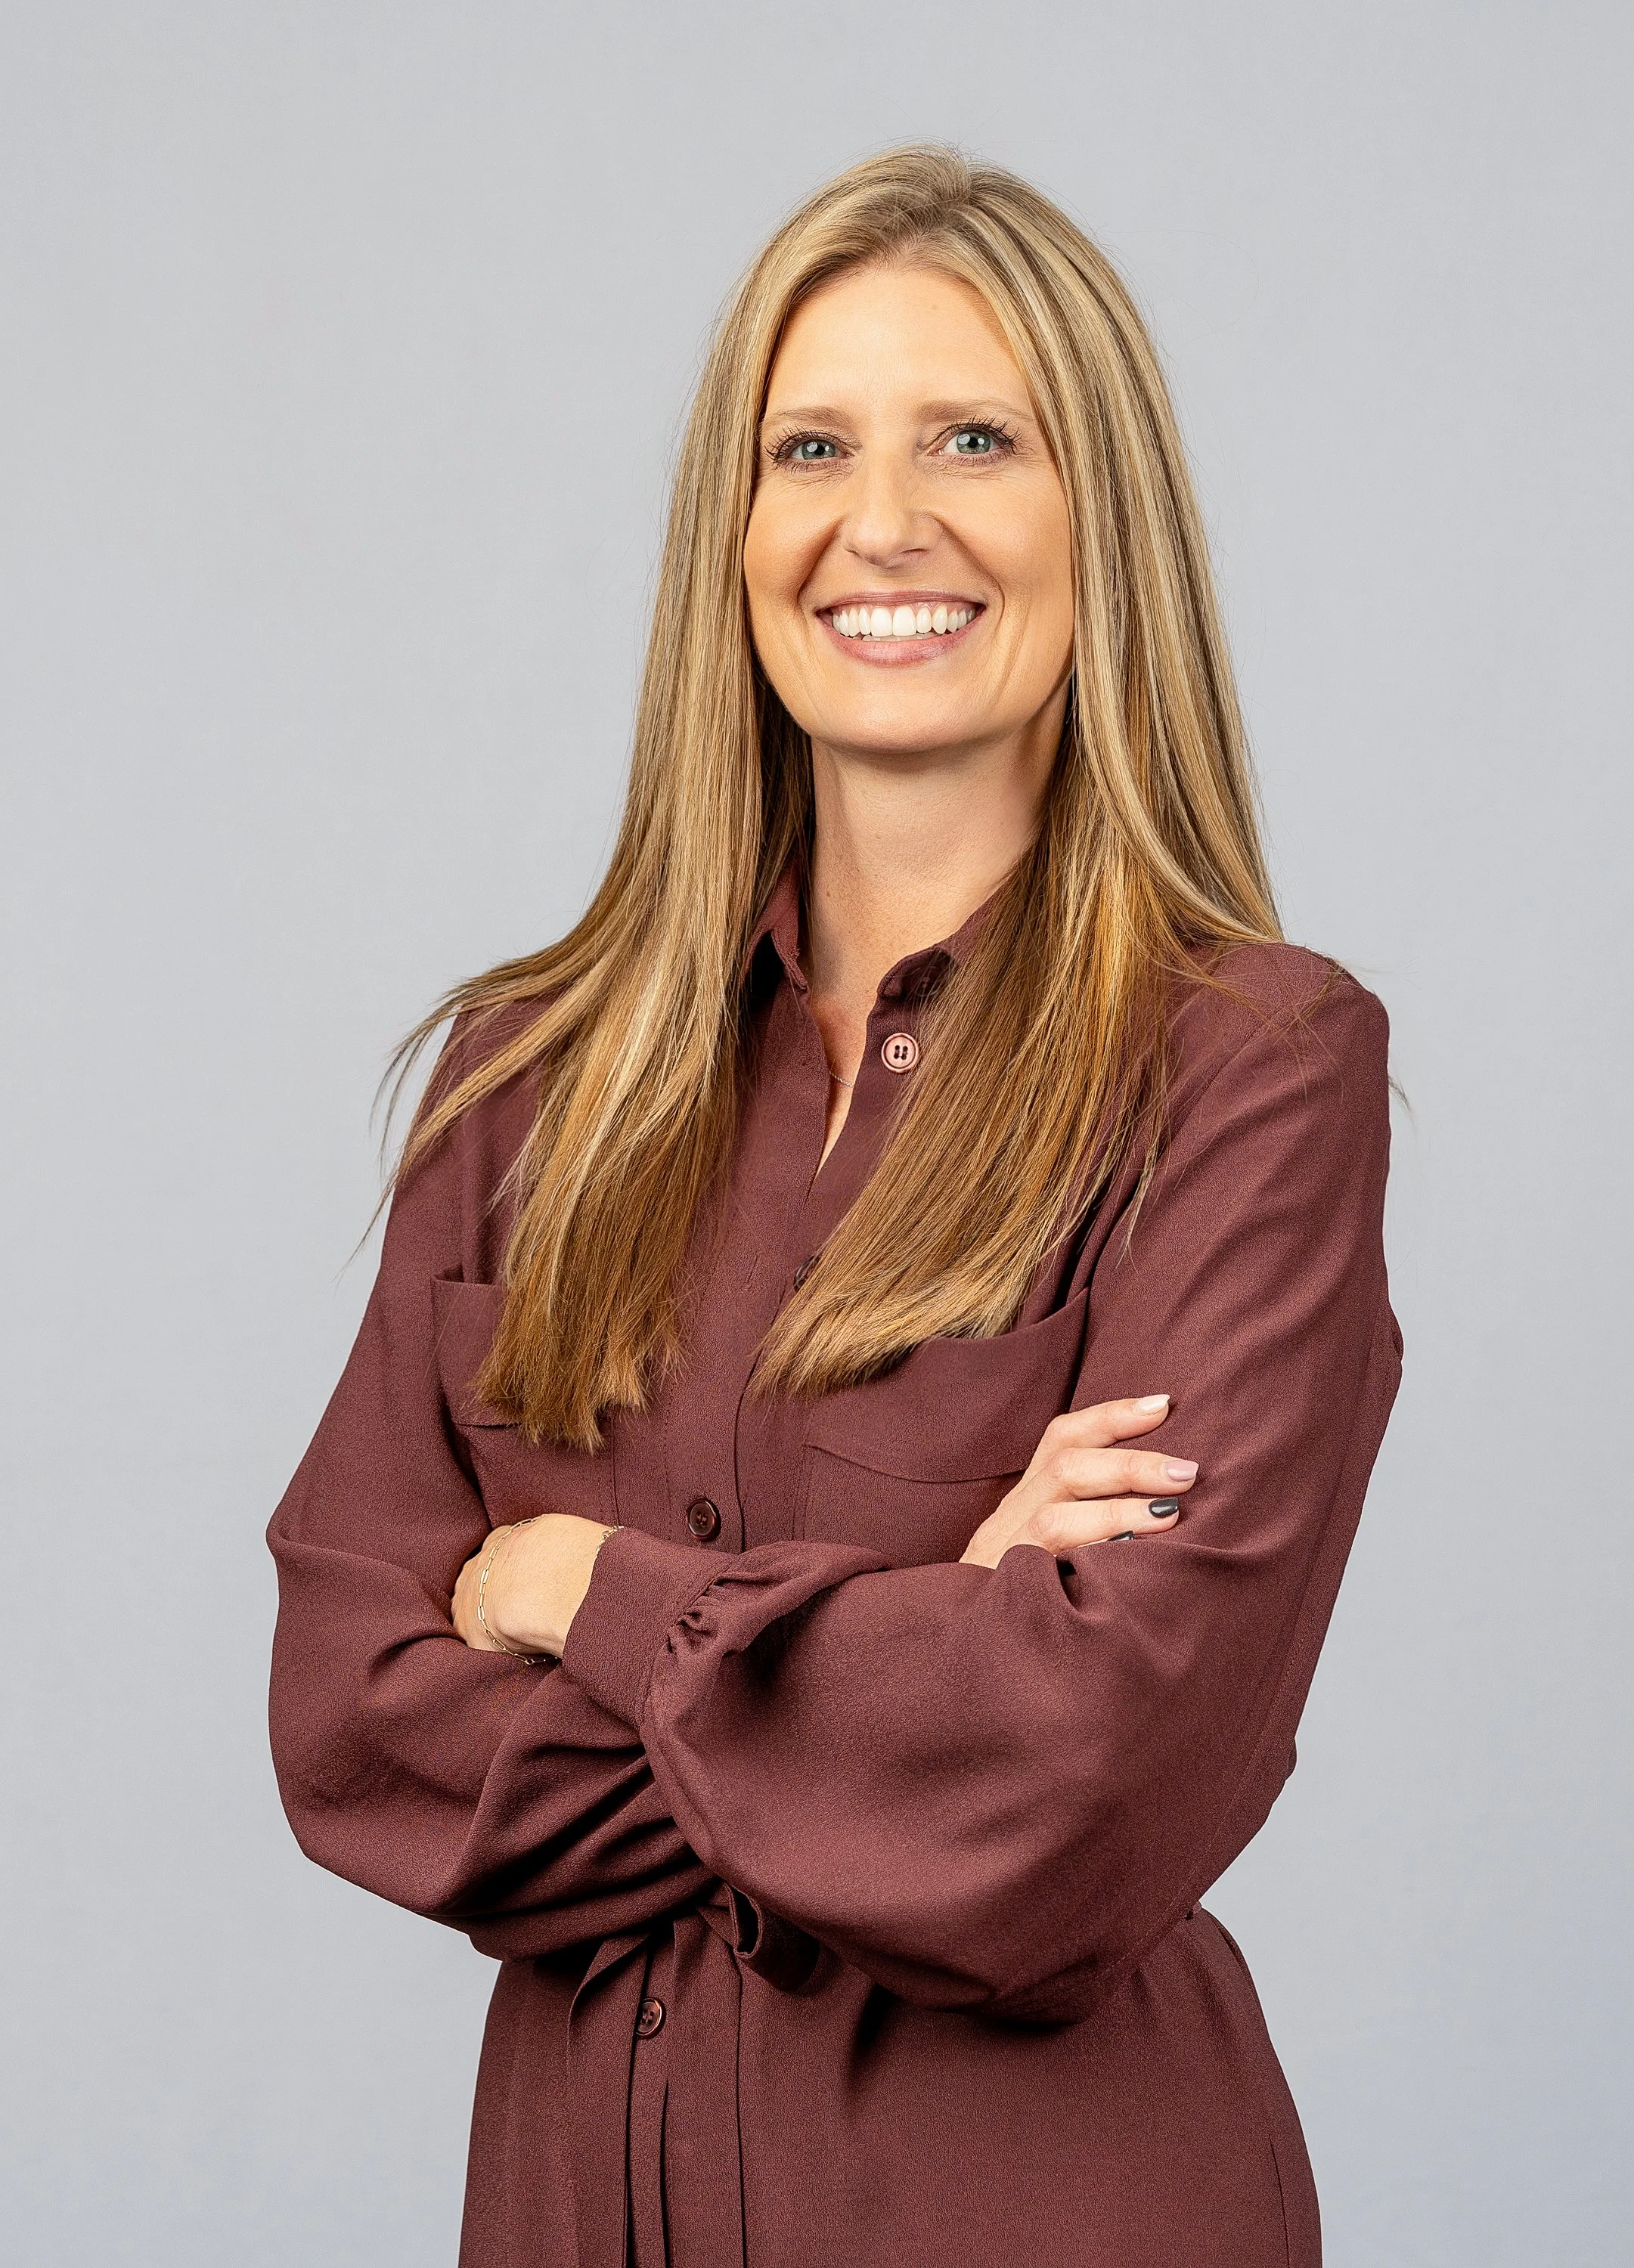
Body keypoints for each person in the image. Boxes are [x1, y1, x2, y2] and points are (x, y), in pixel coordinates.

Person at [268, 144, 1400, 2268]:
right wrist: (914, 1630)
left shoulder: (1252, 1067)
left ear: (1101, 525)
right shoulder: (526, 1084)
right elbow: (352, 1731)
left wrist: (596, 1597)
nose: (886, 522)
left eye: (975, 437)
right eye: (812, 447)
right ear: (735, 530)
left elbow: (1085, 1792)